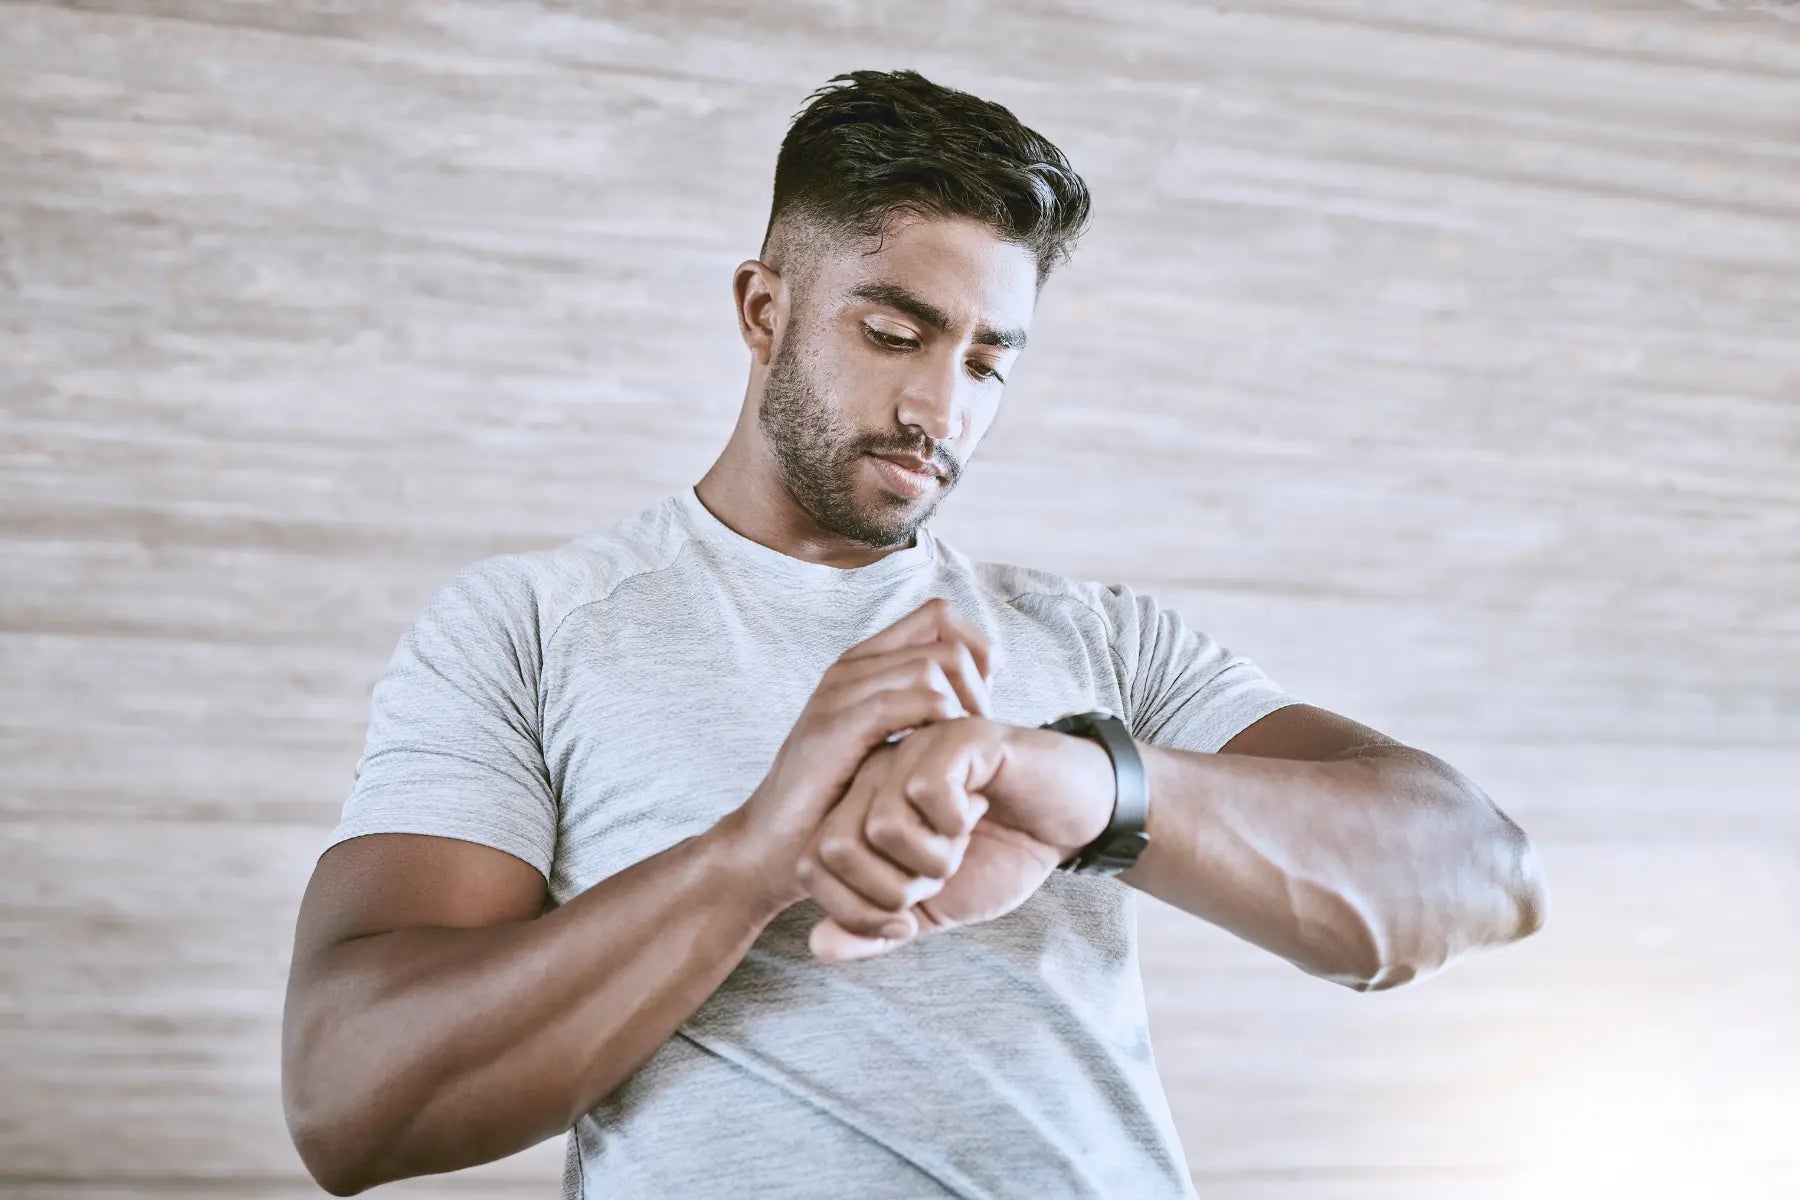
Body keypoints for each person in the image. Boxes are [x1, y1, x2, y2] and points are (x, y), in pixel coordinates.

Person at [281, 68, 1547, 1199]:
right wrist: (755, 856)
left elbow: (1479, 876)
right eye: (894, 333)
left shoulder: (1102, 641)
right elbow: (349, 1103)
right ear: (763, 310)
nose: (939, 407)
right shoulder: (532, 627)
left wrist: (1079, 785)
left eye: (989, 363)